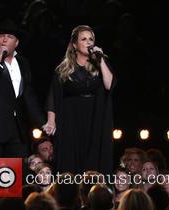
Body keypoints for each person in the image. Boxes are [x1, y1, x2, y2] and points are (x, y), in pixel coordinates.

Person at [0, 18, 45, 174]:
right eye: (2, 35)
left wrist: (42, 123)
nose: (5, 39)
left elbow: (28, 96)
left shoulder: (23, 62)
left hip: (16, 130)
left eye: (10, 36)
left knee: (14, 180)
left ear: (16, 42)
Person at [43, 25, 115, 174]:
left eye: (91, 39)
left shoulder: (100, 64)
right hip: (70, 120)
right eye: (84, 39)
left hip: (94, 118)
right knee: (71, 162)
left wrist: (100, 60)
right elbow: (53, 95)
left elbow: (109, 85)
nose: (89, 42)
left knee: (92, 160)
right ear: (75, 44)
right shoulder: (63, 69)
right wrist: (51, 120)